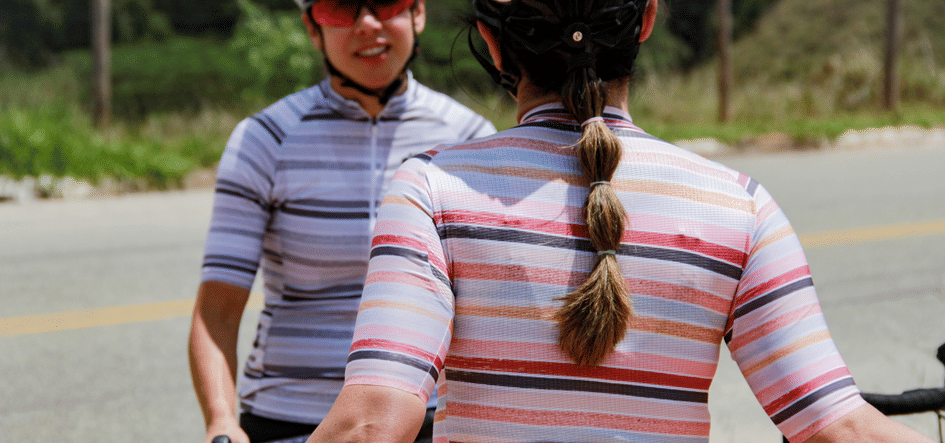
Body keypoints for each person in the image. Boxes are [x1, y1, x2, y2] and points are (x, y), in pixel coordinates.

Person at [304, 0, 934, 442]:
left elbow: (371, 424)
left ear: (491, 40)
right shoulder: (741, 206)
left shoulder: (431, 190)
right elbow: (836, 427)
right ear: (648, 20)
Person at [187, 0, 496, 442]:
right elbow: (217, 308)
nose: (367, 24)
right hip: (289, 415)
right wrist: (221, 419)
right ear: (313, 29)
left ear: (418, 13)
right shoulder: (265, 139)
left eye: (387, 3)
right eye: (340, 8)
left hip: (424, 419)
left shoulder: (468, 139)